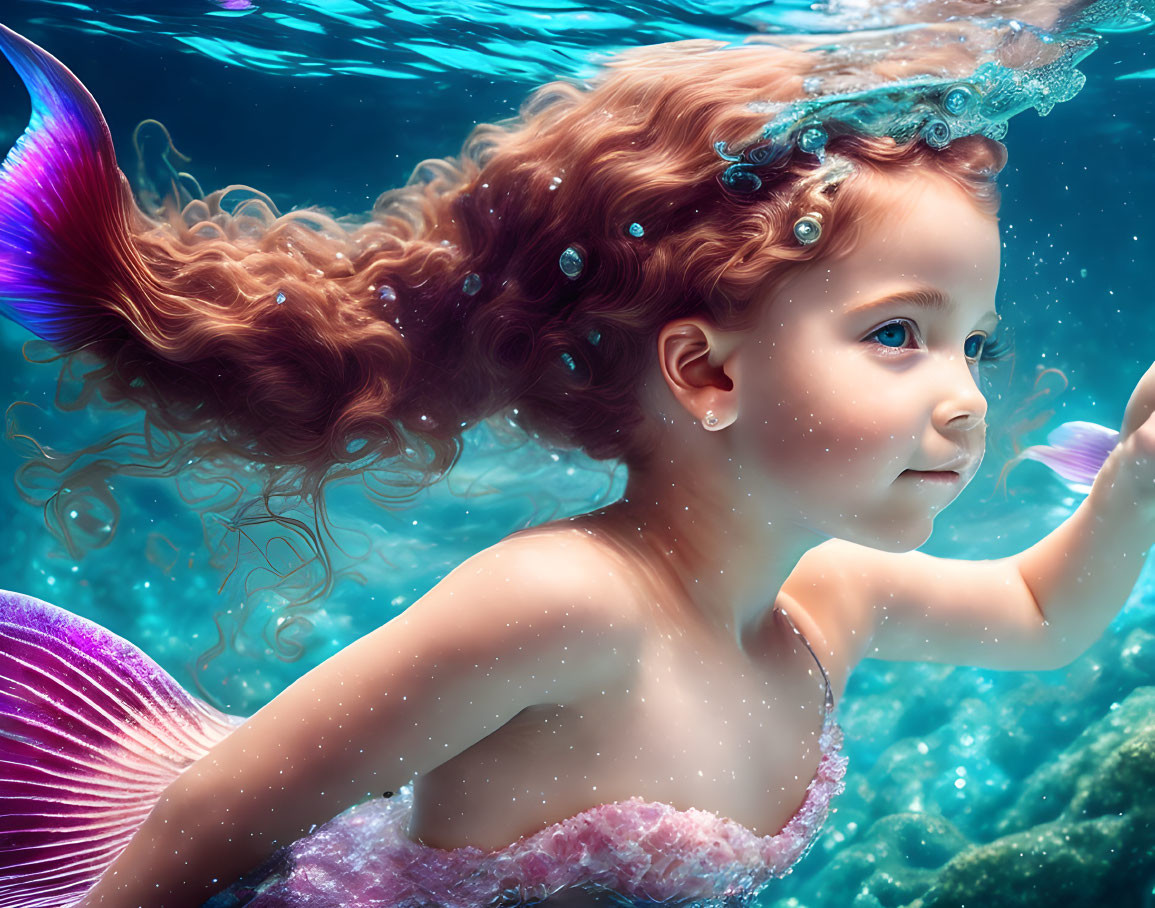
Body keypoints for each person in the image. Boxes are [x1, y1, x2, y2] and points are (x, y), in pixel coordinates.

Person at [1, 3, 1153, 905]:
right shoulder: (562, 602)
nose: (966, 400)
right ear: (706, 371)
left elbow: (1040, 614)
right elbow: (209, 822)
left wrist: (1136, 478)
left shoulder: (823, 600)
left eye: (976, 342)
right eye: (899, 334)